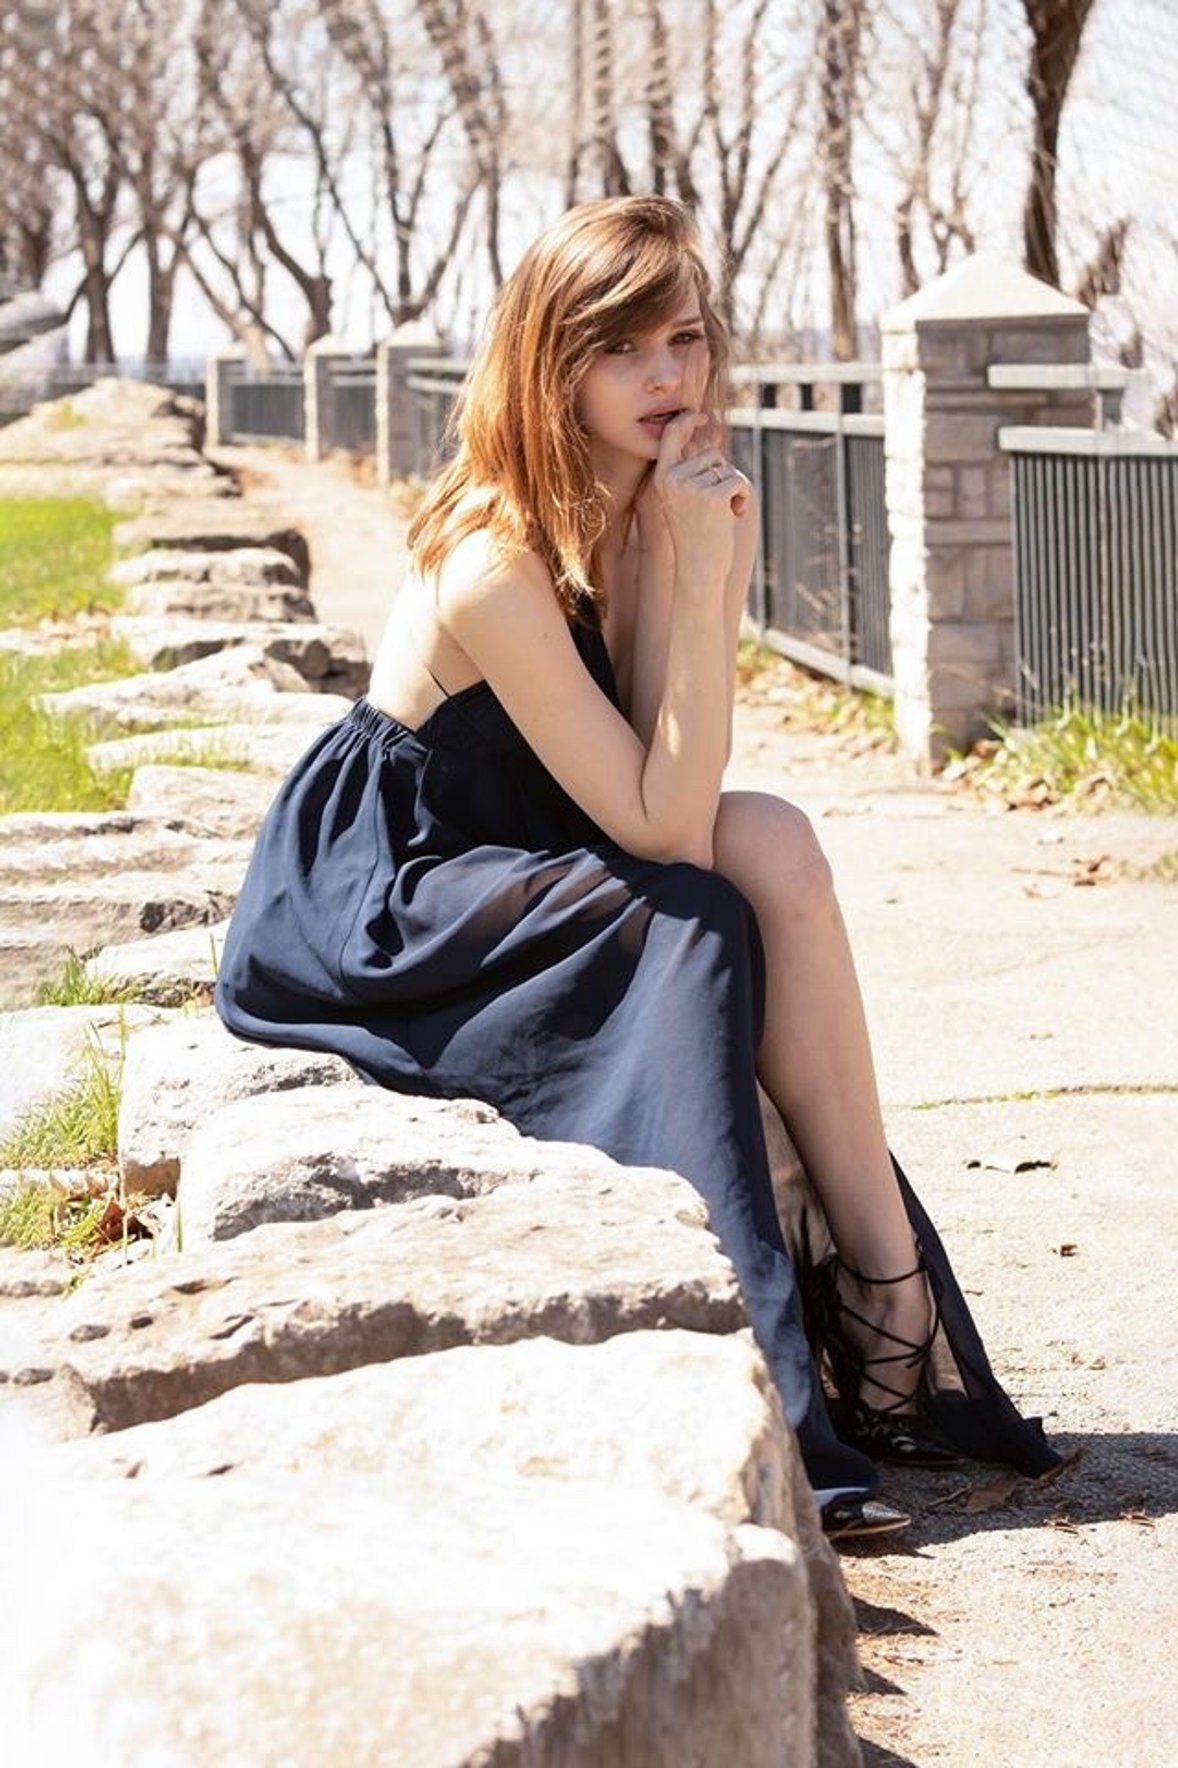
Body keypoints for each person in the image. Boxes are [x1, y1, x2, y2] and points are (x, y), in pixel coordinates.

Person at [215, 195, 1058, 1540]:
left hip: (542, 841)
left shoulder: (656, 508)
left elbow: (685, 791)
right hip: (398, 887)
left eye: (683, 339)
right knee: (692, 920)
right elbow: (664, 834)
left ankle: (885, 1286)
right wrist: (702, 566)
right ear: (549, 365)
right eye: (619, 348)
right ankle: (772, 1373)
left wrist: (689, 562)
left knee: (773, 843)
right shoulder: (494, 554)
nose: (665, 375)